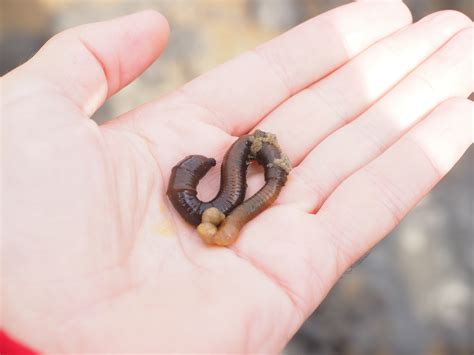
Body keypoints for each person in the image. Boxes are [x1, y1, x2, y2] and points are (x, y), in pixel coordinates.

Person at [2, 1, 472, 353]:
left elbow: (228, 187)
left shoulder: (234, 182)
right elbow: (214, 187)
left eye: (217, 223)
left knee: (238, 190)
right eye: (218, 223)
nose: (216, 220)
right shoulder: (222, 190)